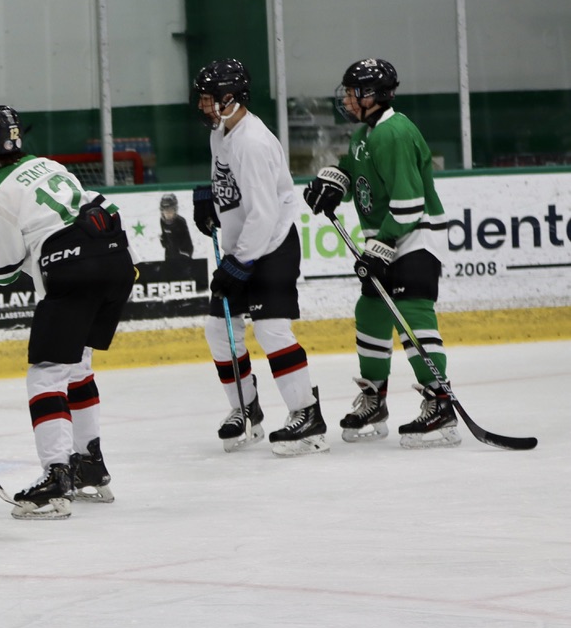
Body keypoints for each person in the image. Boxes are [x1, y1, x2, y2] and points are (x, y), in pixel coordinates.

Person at [0, 105, 136, 519]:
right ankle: (88, 465)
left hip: (74, 269)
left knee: (46, 374)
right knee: (77, 367)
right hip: (116, 259)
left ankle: (57, 478)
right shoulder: (47, 165)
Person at [303, 58, 459, 450]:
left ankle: (439, 401)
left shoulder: (394, 133)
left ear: (372, 96)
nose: (346, 99)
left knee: (412, 312)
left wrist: (384, 243)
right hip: (387, 238)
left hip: (416, 235)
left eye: (352, 92)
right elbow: (357, 172)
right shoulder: (365, 133)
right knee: (371, 310)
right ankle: (374, 398)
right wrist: (334, 181)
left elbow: (409, 202)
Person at [190, 58, 329, 458]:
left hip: (271, 247)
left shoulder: (252, 142)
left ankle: (307, 414)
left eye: (209, 98)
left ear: (231, 98)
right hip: (243, 248)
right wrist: (212, 201)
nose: (202, 105)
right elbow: (231, 183)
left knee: (271, 330)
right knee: (220, 331)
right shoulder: (222, 131)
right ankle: (246, 409)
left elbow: (264, 214)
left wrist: (240, 263)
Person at [158, 193, 199, 282]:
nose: (168, 213)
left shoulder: (181, 222)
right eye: (165, 210)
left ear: (175, 210)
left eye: (170, 210)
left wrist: (184, 258)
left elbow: (188, 245)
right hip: (170, 258)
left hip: (182, 261)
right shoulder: (162, 221)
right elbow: (166, 241)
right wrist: (163, 240)